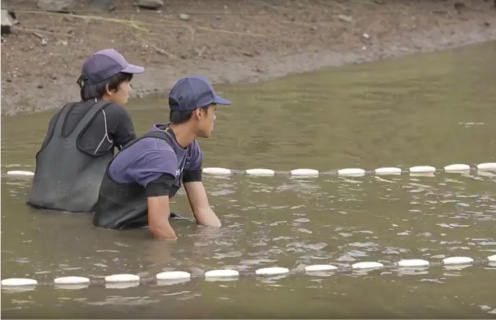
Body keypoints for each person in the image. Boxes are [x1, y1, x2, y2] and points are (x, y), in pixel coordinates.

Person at [93, 75, 231, 240]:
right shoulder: (160, 154)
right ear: (199, 113)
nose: (214, 117)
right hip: (116, 235)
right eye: (213, 111)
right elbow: (158, 226)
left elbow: (203, 210)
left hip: (141, 225)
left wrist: (218, 242)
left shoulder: (191, 149)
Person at [27, 49, 144, 213]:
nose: (130, 89)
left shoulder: (61, 112)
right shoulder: (115, 113)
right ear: (110, 88)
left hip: (38, 206)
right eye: (127, 83)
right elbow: (138, 164)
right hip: (81, 212)